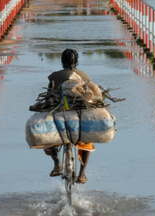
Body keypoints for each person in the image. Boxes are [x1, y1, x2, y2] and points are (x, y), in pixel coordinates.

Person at [44, 48, 94, 184]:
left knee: (46, 135)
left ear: (62, 61)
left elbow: (48, 98)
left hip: (60, 117)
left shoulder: (54, 76)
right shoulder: (83, 76)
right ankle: (82, 174)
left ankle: (56, 164)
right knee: (88, 141)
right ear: (76, 61)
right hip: (78, 118)